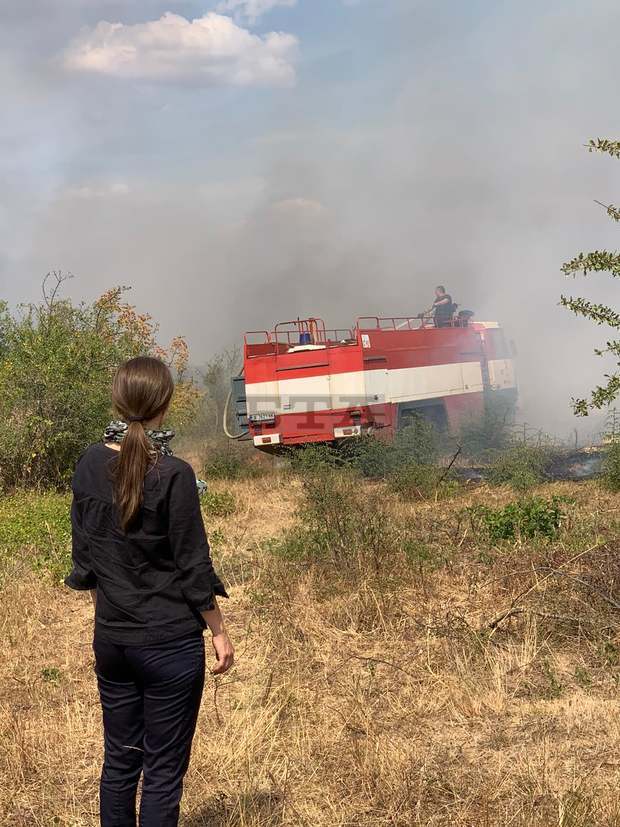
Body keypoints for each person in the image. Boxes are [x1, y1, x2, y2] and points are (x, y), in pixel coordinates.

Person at [65, 356, 234, 827]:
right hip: (170, 645)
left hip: (113, 642)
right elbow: (193, 565)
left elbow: (87, 561)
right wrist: (219, 632)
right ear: (164, 405)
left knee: (119, 763)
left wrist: (110, 618)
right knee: (162, 773)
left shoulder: (88, 464)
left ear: (117, 401)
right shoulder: (175, 474)